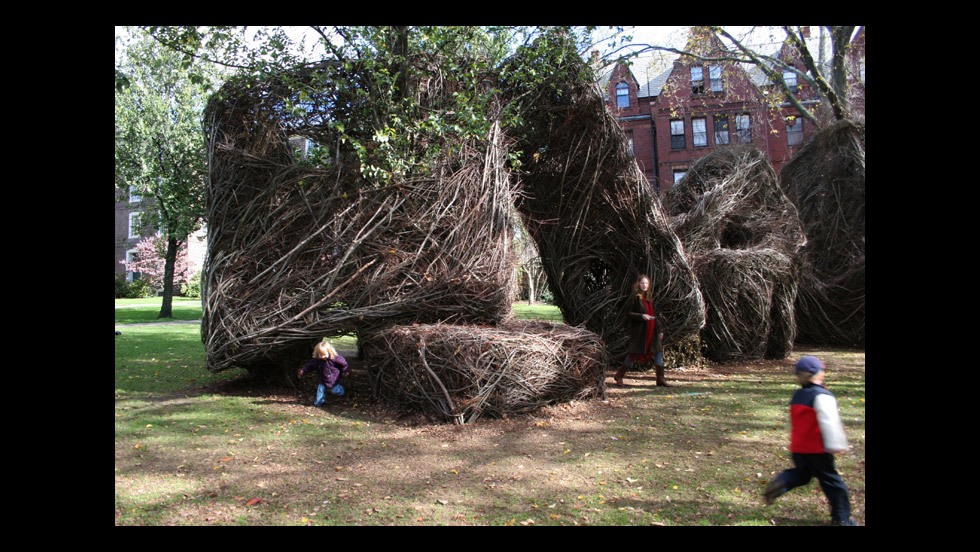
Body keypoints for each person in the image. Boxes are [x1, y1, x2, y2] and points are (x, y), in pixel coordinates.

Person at [764, 355, 858, 526]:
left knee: (803, 474)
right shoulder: (823, 396)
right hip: (817, 450)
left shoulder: (797, 396)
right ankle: (842, 519)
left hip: (799, 448)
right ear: (818, 374)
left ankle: (783, 480)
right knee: (834, 484)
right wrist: (836, 444)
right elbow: (829, 422)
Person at [614, 274, 669, 387]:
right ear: (638, 284)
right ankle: (619, 375)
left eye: (646, 283)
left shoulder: (649, 298)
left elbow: (654, 315)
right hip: (641, 332)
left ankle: (660, 379)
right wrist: (641, 316)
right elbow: (628, 313)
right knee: (633, 354)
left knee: (658, 352)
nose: (644, 285)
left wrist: (660, 330)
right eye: (642, 283)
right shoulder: (635, 298)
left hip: (652, 331)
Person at [298, 338, 350, 406]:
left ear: (329, 352)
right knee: (320, 391)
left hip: (333, 380)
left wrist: (345, 371)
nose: (322, 357)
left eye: (324, 354)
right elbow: (309, 366)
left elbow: (344, 364)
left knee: (335, 391)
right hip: (322, 380)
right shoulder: (317, 361)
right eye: (320, 355)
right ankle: (319, 402)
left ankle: (342, 391)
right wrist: (303, 371)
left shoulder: (335, 359)